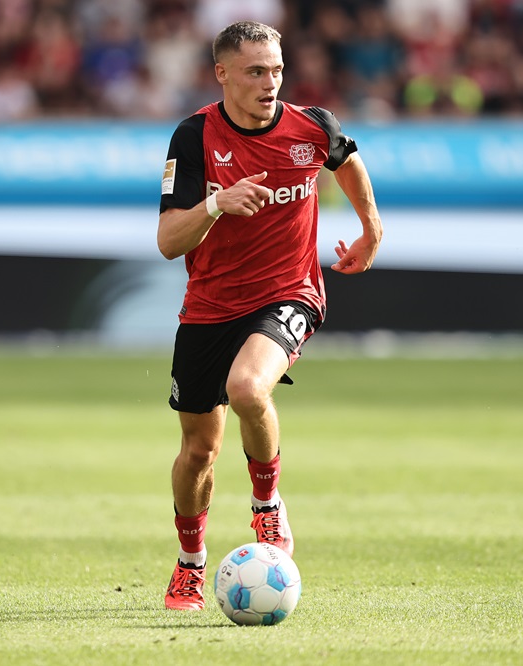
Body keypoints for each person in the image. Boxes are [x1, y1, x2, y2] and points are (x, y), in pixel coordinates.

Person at [157, 20, 383, 611]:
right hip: (209, 305)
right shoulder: (193, 137)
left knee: (248, 388)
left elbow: (347, 160)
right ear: (223, 73)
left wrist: (370, 229)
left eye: (277, 70)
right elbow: (167, 241)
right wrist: (215, 203)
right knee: (198, 451)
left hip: (290, 292)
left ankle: (266, 506)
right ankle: (190, 564)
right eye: (256, 71)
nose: (269, 82)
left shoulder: (312, 125)